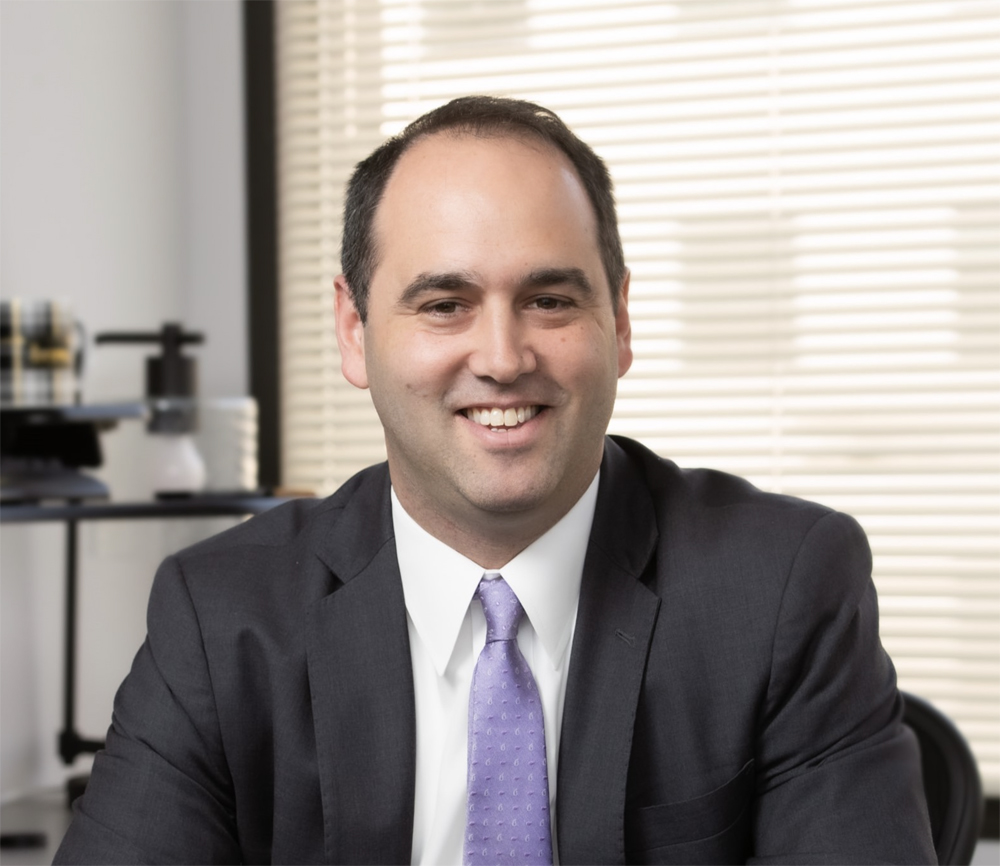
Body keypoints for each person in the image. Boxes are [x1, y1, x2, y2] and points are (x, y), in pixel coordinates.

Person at [55, 96, 935, 865]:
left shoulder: (782, 588)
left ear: (620, 322)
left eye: (551, 300)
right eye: (444, 304)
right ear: (355, 331)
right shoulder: (222, 616)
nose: (505, 358)